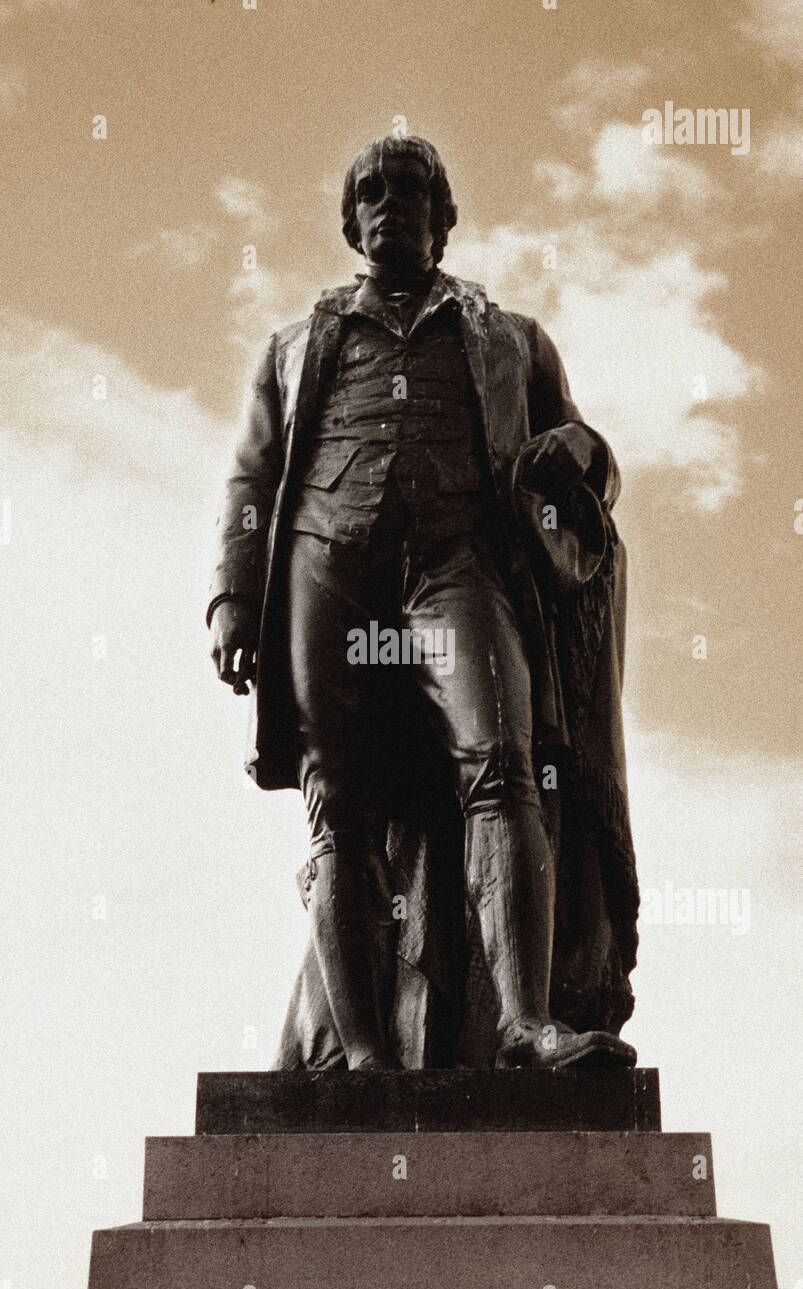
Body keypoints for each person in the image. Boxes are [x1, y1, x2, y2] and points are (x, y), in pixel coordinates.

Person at [208, 135, 639, 1071]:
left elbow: (583, 452)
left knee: (503, 764)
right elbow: (251, 479)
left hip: (462, 563)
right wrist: (233, 601)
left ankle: (524, 1026)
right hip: (331, 564)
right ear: (349, 218)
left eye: (412, 189)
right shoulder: (290, 347)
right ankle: (359, 1054)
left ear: (444, 218)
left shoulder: (510, 336)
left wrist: (581, 457)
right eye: (370, 188)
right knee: (340, 806)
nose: (390, 202)